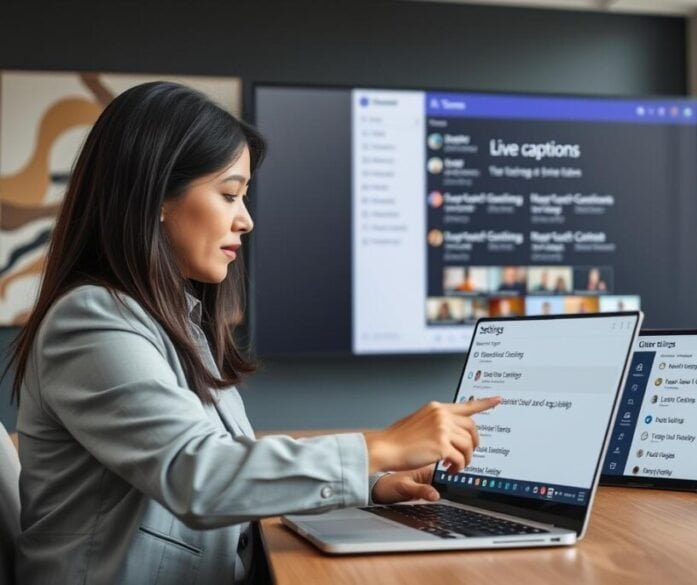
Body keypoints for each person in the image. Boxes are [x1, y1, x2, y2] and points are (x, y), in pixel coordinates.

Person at [5, 82, 501, 584]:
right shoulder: (90, 321)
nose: (246, 220)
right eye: (229, 194)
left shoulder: (169, 318)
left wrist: (374, 483)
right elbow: (197, 473)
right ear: (156, 196)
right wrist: (382, 445)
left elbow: (225, 458)